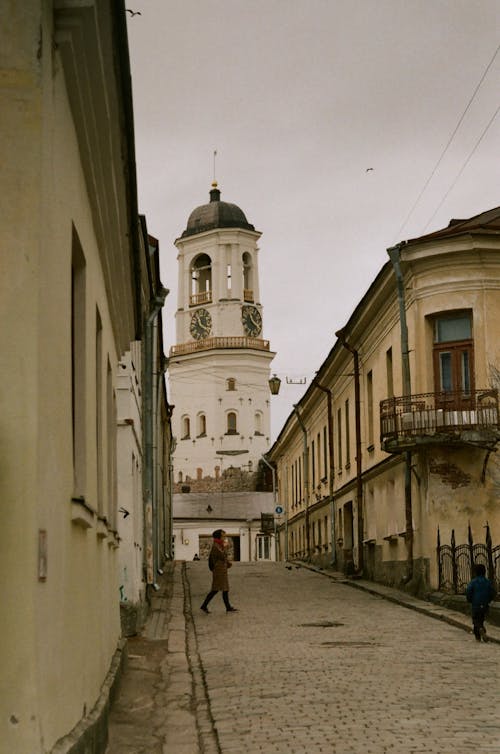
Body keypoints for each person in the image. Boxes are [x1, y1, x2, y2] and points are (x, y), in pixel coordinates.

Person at [200, 529, 238, 613]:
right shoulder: (216, 546)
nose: (224, 537)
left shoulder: (219, 545)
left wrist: (227, 563)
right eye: (223, 536)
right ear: (219, 537)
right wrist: (226, 547)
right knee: (217, 589)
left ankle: (226, 607)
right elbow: (222, 556)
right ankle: (205, 605)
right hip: (219, 570)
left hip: (221, 570)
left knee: (223, 589)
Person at [466, 563, 496, 642]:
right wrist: (488, 600)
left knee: (475, 620)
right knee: (481, 619)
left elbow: (468, 591)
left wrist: (469, 600)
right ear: (484, 572)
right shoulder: (487, 582)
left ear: (475, 572)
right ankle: (479, 636)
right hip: (485, 604)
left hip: (475, 604)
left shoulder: (473, 582)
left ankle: (480, 631)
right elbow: (493, 592)